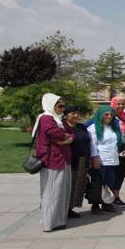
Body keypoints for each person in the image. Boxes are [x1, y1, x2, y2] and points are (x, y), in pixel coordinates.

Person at [34, 93, 73, 231]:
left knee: (61, 190)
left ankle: (59, 220)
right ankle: (49, 222)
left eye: (64, 106)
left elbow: (70, 133)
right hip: (52, 160)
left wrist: (65, 138)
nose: (63, 109)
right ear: (51, 105)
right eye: (60, 106)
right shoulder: (46, 118)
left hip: (62, 159)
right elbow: (56, 134)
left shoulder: (57, 119)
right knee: (51, 191)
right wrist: (65, 138)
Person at [88, 105, 123, 212]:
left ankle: (107, 203)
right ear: (100, 115)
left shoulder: (114, 127)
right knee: (98, 182)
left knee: (110, 182)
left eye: (111, 114)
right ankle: (95, 205)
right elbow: (92, 145)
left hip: (112, 159)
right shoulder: (93, 128)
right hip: (100, 160)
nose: (109, 116)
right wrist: (95, 158)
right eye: (106, 114)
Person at [64, 106, 93, 219]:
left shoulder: (81, 126)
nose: (76, 116)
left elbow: (87, 142)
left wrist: (89, 158)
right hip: (69, 160)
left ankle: (70, 208)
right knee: (68, 185)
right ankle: (64, 208)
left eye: (77, 113)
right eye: (72, 113)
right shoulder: (63, 126)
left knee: (78, 185)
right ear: (66, 115)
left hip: (82, 160)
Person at [110, 96, 125, 205]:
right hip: (111, 149)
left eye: (123, 104)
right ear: (113, 104)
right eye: (118, 104)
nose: (121, 106)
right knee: (111, 173)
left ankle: (116, 196)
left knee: (121, 172)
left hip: (123, 148)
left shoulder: (124, 116)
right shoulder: (108, 115)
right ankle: (109, 197)